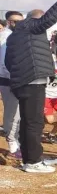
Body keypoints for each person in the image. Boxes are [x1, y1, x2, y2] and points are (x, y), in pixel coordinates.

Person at [4, 0, 57, 173]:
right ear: (36, 20)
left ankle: (29, 160)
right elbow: (51, 16)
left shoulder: (14, 37)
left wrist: (20, 76)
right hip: (33, 81)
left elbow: (9, 62)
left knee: (28, 121)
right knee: (34, 123)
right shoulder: (31, 26)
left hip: (22, 82)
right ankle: (34, 161)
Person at [0, 11, 23, 160]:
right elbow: (4, 63)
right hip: (9, 80)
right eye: (15, 21)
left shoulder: (17, 35)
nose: (19, 24)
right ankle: (13, 145)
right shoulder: (5, 37)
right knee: (13, 113)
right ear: (9, 22)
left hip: (18, 80)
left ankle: (16, 142)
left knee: (18, 113)